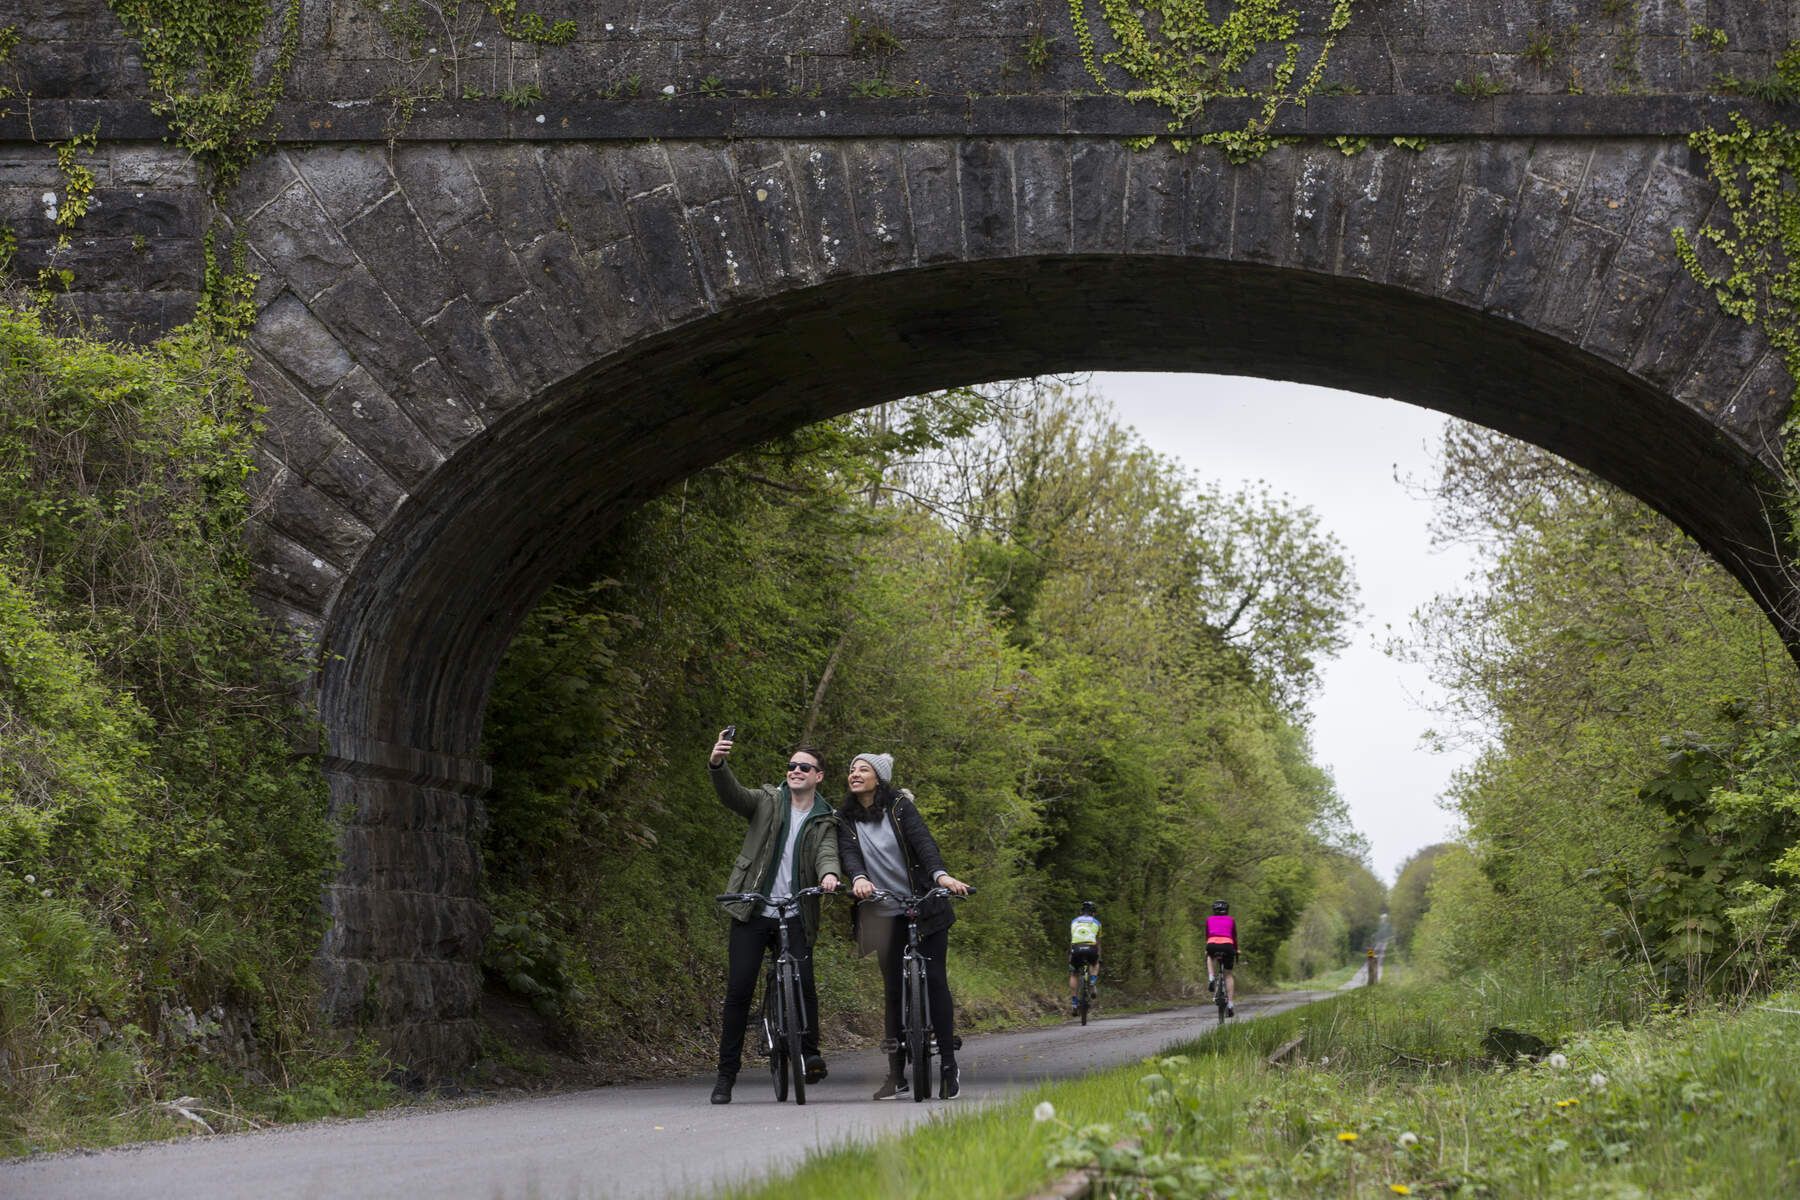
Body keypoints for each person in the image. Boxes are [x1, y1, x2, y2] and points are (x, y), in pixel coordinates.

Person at [707, 731, 842, 1104]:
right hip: (753, 909)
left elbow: (827, 853)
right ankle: (726, 1076)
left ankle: (810, 1055)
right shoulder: (767, 800)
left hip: (796, 912)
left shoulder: (825, 819)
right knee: (739, 991)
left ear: (818, 776)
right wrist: (718, 764)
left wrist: (830, 875)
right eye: (792, 765)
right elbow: (733, 795)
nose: (795, 770)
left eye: (804, 767)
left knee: (805, 982)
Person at [838, 752, 972, 1100]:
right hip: (883, 912)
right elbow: (848, 854)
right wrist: (859, 878)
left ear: (878, 778)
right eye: (852, 769)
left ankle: (948, 1065)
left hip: (924, 905)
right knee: (893, 990)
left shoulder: (899, 807)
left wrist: (940, 876)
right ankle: (896, 1074)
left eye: (863, 769)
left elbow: (923, 842)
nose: (855, 774)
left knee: (936, 980)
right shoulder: (845, 817)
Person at [1068, 900, 1101, 1016]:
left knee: (1074, 973)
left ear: (1081, 912)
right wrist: (1098, 956)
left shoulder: (1074, 921)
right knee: (1095, 963)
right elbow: (1098, 941)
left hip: (1076, 948)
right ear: (1093, 913)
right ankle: (1092, 981)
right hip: (1091, 948)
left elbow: (1073, 939)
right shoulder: (1096, 922)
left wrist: (1071, 955)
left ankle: (1074, 1003)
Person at [1205, 899, 1238, 1017]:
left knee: (1209, 955)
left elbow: (1207, 935)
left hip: (1212, 944)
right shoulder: (1231, 920)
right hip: (1228, 945)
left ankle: (1211, 977)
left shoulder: (1209, 919)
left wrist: (1208, 947)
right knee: (1228, 974)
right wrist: (1236, 950)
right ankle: (1230, 1005)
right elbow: (1234, 937)